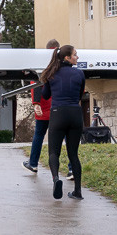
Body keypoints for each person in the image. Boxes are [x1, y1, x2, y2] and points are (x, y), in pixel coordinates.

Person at [40, 44, 86, 200]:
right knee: (73, 154)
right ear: (67, 57)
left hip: (58, 114)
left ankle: (56, 179)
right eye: (75, 54)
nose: (77, 57)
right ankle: (77, 191)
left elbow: (45, 95)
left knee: (54, 152)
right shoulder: (79, 73)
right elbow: (80, 95)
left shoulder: (51, 74)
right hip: (75, 114)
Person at [23, 39, 61, 174]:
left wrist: (36, 103)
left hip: (44, 107)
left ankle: (33, 163)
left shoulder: (41, 62)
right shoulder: (61, 62)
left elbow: (37, 83)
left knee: (39, 135)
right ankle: (71, 169)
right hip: (59, 106)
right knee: (65, 136)